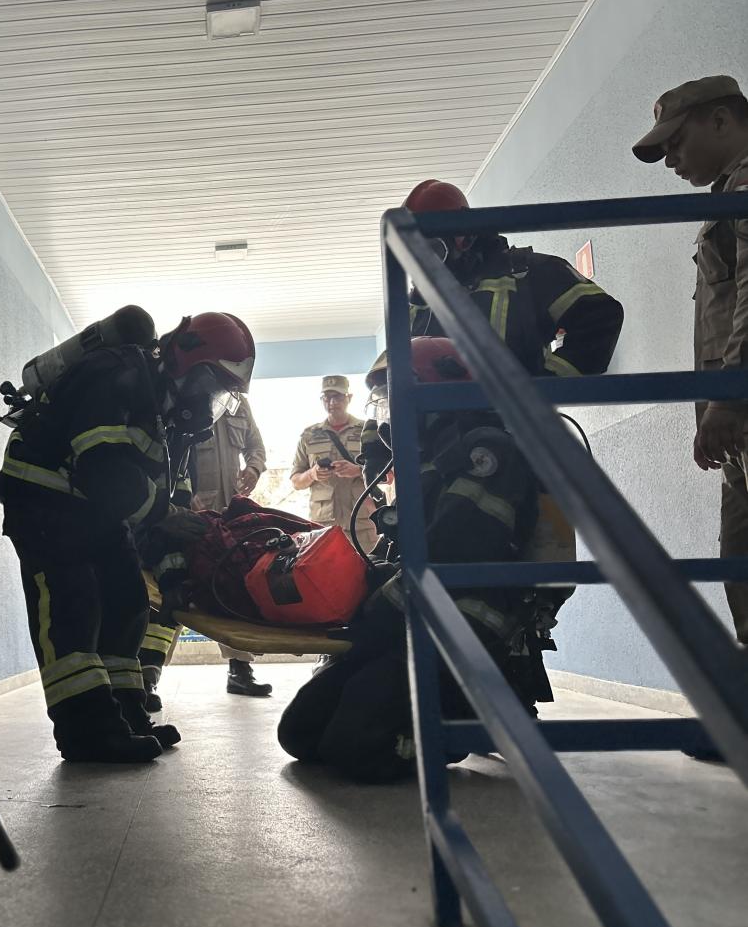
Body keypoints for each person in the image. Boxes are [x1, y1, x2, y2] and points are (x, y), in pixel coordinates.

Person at [277, 338, 550, 782]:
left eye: (396, 398)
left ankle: (460, 725)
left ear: (439, 391)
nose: (388, 413)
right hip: (416, 613)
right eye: (383, 402)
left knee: (357, 746)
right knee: (300, 733)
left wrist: (375, 609)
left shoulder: (487, 450)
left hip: (463, 622)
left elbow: (456, 550)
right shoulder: (432, 459)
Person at [0, 312, 256, 761]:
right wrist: (164, 514)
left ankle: (127, 716)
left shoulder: (171, 415)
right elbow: (107, 472)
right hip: (44, 501)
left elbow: (164, 502)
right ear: (188, 362)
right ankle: (87, 733)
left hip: (96, 511)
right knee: (71, 606)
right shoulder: (116, 375)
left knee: (128, 601)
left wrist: (173, 576)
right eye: (214, 385)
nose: (212, 401)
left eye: (223, 395)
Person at [633, 75, 748, 647]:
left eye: (676, 142)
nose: (670, 160)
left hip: (740, 405)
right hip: (733, 419)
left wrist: (726, 397)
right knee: (740, 566)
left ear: (722, 120)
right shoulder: (727, 196)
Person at [402, 179, 624, 380]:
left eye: (431, 249)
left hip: (509, 420)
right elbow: (389, 383)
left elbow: (600, 316)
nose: (422, 263)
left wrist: (546, 384)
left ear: (463, 239)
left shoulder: (527, 274)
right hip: (431, 422)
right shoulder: (414, 309)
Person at [139, 397, 272, 706]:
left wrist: (253, 468)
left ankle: (240, 670)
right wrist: (182, 501)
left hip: (231, 517)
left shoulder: (239, 405)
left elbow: (257, 447)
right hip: (188, 515)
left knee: (234, 589)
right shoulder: (186, 398)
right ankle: (148, 672)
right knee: (174, 588)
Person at [290, 375, 378, 552]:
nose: (332, 402)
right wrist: (312, 474)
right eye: (327, 397)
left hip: (362, 525)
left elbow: (389, 474)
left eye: (337, 396)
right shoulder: (309, 435)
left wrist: (359, 471)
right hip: (323, 527)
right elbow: (296, 481)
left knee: (368, 575)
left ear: (349, 398)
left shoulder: (367, 431)